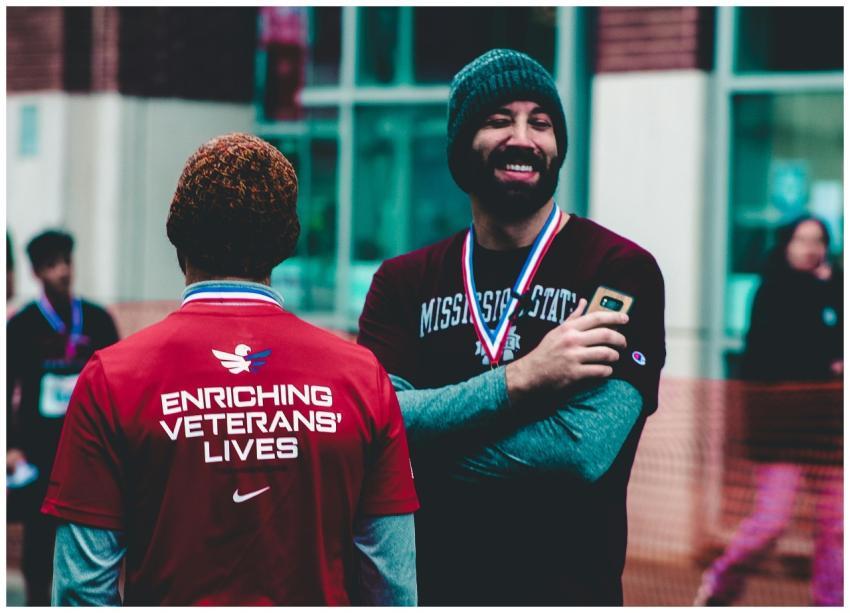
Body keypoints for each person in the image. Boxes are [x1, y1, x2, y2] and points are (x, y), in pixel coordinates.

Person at [42, 133, 419, 605]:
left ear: (179, 243)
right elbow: (393, 585)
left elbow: (82, 590)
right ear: (283, 247)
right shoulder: (362, 377)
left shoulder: (111, 378)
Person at [358, 49, 666, 605]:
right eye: (499, 119)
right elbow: (381, 419)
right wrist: (523, 378)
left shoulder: (617, 270)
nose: (523, 137)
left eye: (540, 122)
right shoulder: (403, 282)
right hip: (438, 593)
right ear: (460, 147)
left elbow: (579, 451)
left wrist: (412, 456)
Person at [694, 216, 843, 606]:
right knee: (771, 522)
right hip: (781, 432)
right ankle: (721, 582)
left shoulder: (833, 288)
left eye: (819, 241)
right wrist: (826, 364)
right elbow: (773, 355)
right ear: (786, 244)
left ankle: (832, 601)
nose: (812, 248)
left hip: (829, 431)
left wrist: (832, 289)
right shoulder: (771, 291)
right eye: (803, 240)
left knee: (836, 527)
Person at [6, 229, 120, 605]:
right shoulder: (22, 326)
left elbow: (116, 384)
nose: (64, 272)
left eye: (67, 262)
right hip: (40, 451)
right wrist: (11, 446)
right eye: (53, 265)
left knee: (88, 535)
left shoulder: (97, 320)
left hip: (88, 449)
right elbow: (8, 389)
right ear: (37, 272)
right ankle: (36, 602)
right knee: (39, 541)